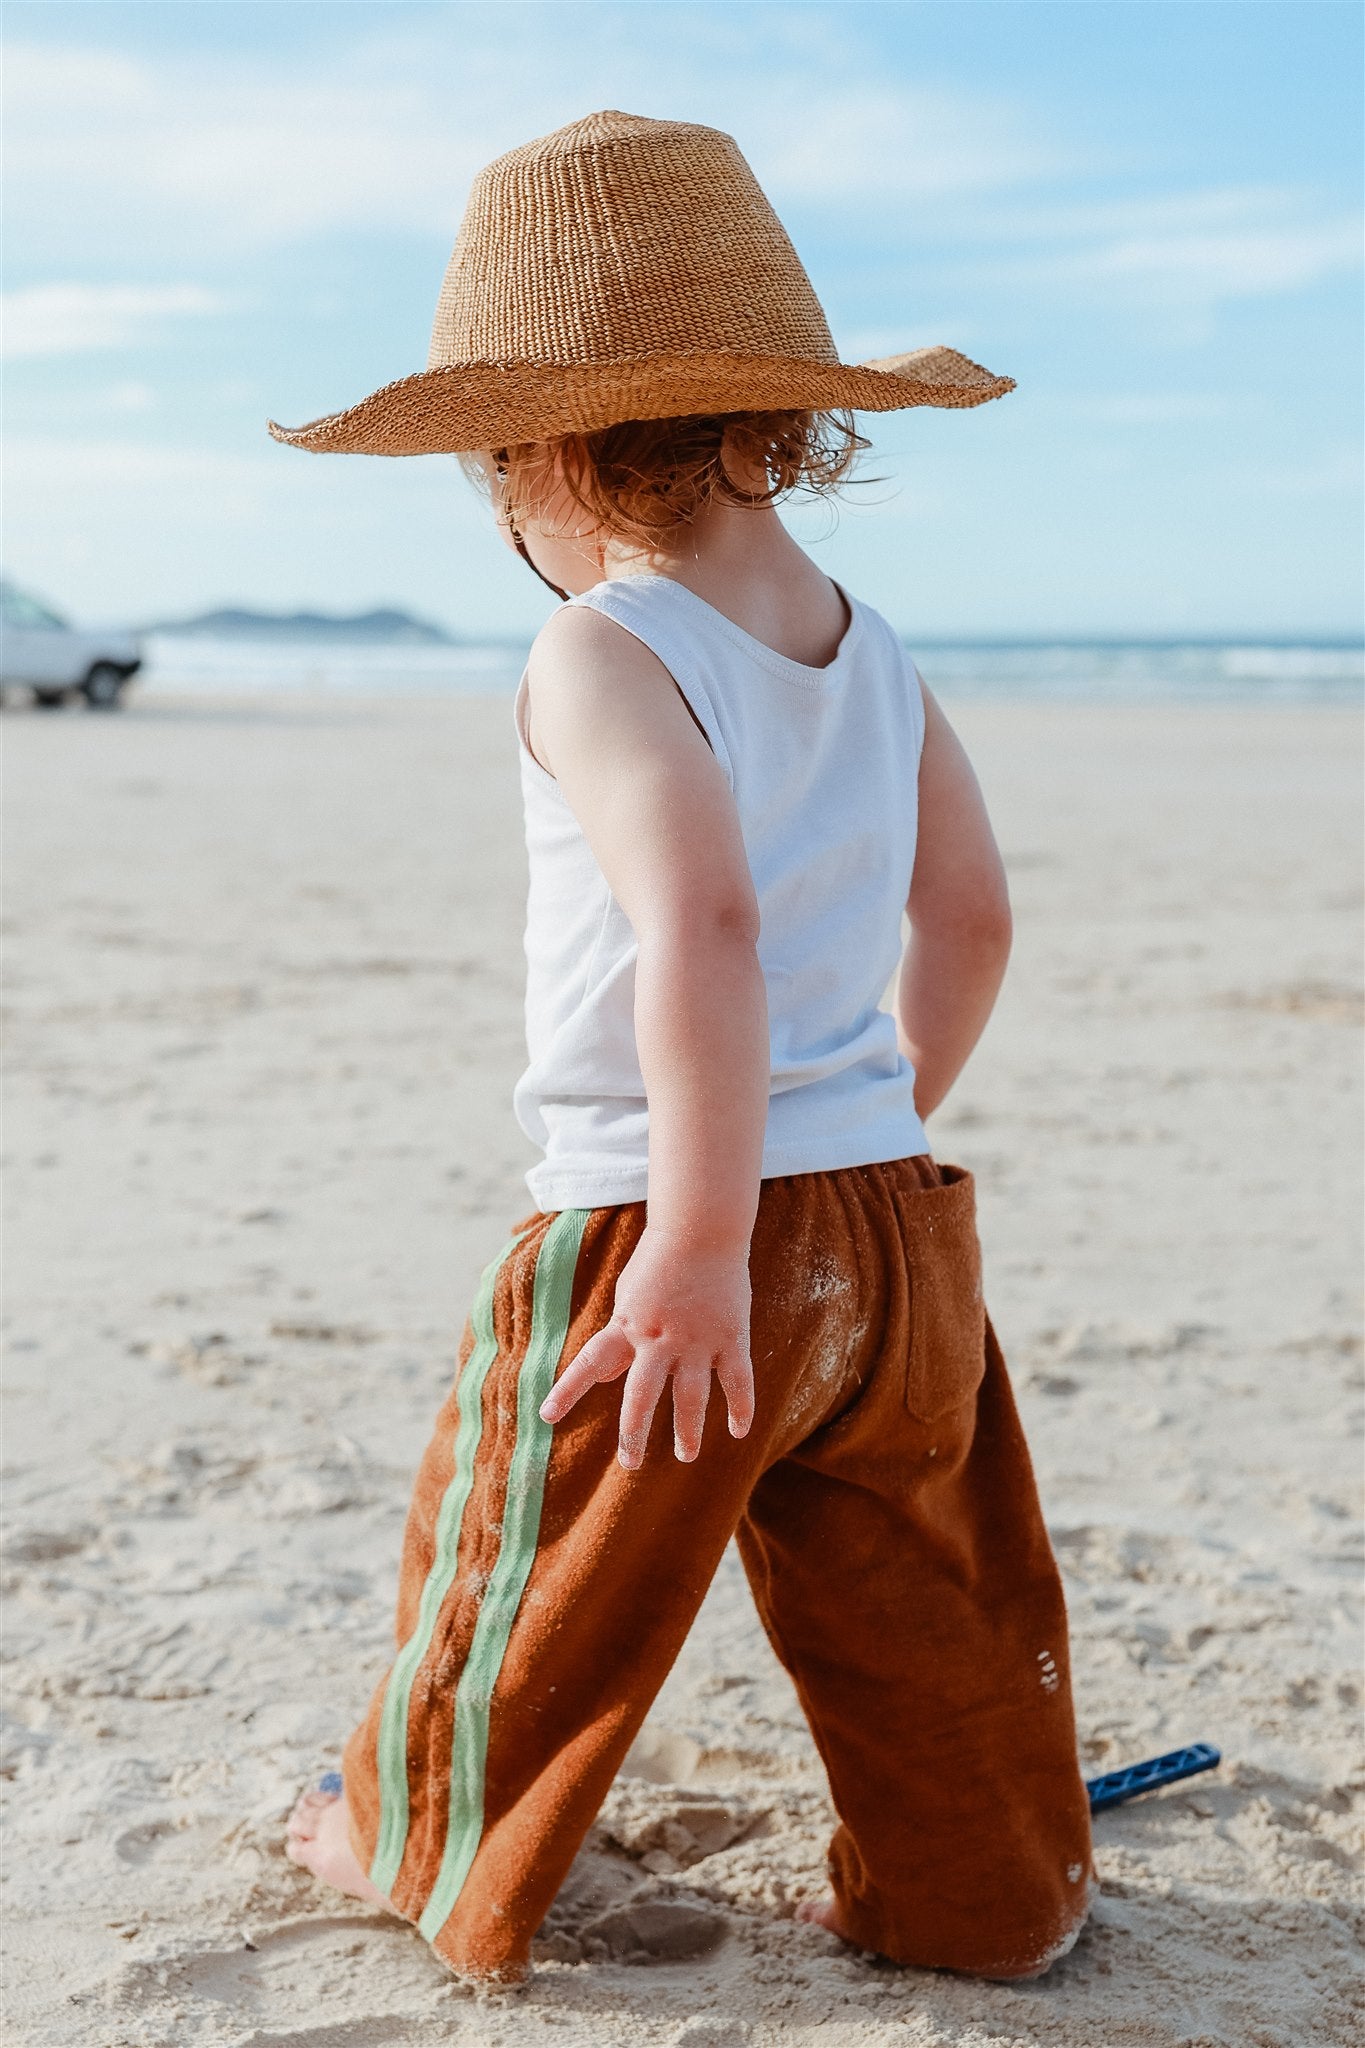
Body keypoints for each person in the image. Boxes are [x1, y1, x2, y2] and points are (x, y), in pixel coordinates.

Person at [267, 108, 1095, 1986]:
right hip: (887, 1226)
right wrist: (858, 1132)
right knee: (928, 1599)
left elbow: (698, 922)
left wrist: (712, 1241)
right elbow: (966, 919)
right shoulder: (866, 643)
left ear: (538, 451)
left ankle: (400, 1838)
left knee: (525, 1579)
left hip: (662, 1231)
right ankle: (987, 1899)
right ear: (780, 423)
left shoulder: (603, 644)